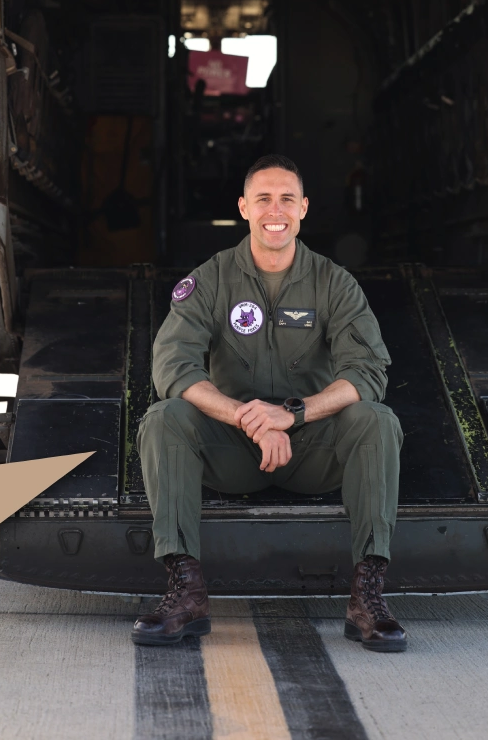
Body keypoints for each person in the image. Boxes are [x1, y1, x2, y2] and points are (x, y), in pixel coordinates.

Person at [130, 154, 407, 652]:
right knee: (163, 418)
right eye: (262, 199)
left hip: (313, 450)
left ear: (303, 209)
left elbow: (366, 371)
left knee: (376, 420)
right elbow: (173, 365)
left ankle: (368, 596)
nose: (273, 210)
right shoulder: (211, 278)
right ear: (243, 207)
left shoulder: (334, 282)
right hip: (233, 448)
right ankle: (185, 591)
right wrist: (244, 417)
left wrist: (293, 414)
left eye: (285, 199)